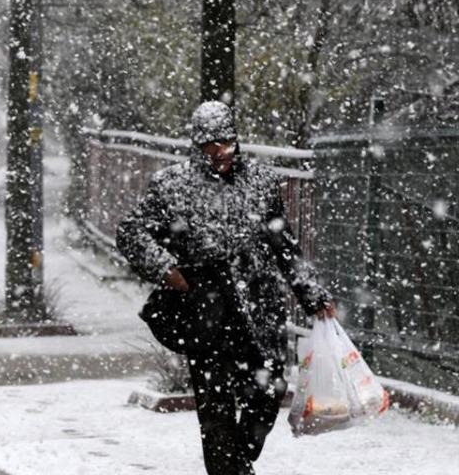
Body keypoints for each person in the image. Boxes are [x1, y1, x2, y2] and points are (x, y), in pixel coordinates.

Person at [117, 100, 335, 475]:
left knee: (270, 391)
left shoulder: (261, 182)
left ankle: (237, 460)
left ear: (236, 140)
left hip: (259, 307)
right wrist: (166, 269)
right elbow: (131, 232)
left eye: (226, 142)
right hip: (206, 311)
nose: (219, 151)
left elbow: (284, 246)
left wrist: (312, 294)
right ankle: (230, 469)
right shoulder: (172, 185)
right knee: (215, 408)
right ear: (197, 145)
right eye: (210, 144)